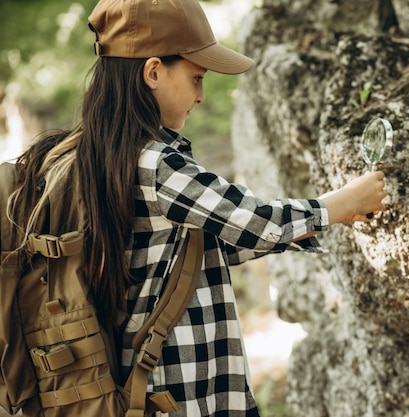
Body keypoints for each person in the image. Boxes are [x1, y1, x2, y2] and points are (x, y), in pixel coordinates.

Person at [7, 0, 387, 415]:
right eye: (196, 78)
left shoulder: (91, 153)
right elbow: (252, 220)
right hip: (183, 393)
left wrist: (308, 226)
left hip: (139, 391)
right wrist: (340, 204)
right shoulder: (156, 164)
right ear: (153, 72)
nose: (203, 96)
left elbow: (201, 244)